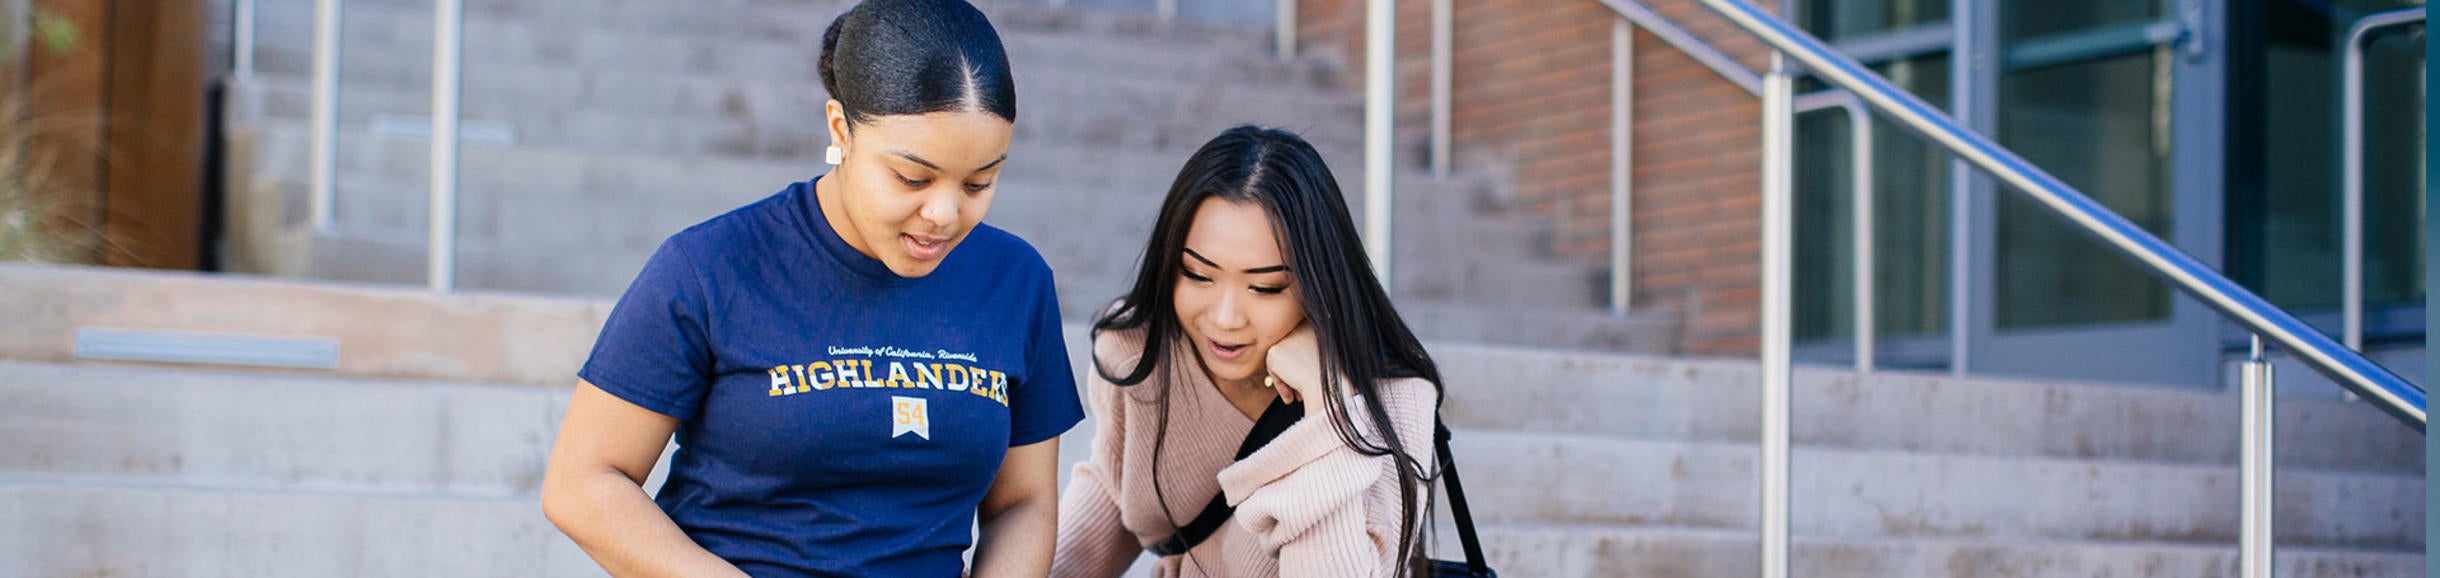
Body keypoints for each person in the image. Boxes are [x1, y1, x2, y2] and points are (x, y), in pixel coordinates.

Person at [540, 1, 1083, 576]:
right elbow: (581, 483)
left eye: (980, 182)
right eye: (912, 178)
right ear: (840, 130)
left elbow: (1023, 505)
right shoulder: (710, 267)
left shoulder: (1016, 282)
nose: (944, 214)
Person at [1051, 126, 1443, 578]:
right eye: (1198, 274)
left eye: (1265, 287)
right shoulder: (1142, 348)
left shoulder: (1394, 397)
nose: (1225, 317)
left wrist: (1326, 404)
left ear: (1320, 284)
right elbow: (1117, 491)